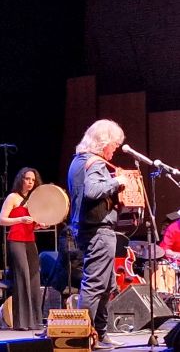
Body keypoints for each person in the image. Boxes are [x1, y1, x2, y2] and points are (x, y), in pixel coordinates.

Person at [67, 119, 127, 349]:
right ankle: (85, 336)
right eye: (113, 144)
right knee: (95, 285)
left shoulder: (78, 162)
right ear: (103, 143)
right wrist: (117, 182)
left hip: (86, 228)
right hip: (99, 231)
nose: (114, 149)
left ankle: (100, 333)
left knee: (107, 284)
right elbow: (92, 191)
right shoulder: (96, 163)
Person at [0, 167, 45, 330]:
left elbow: (31, 223)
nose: (30, 182)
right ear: (21, 180)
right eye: (27, 179)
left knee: (34, 278)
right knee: (22, 277)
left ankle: (36, 321)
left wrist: (37, 224)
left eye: (33, 180)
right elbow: (2, 220)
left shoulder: (34, 200)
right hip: (16, 241)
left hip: (30, 241)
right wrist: (20, 219)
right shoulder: (13, 197)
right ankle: (23, 322)